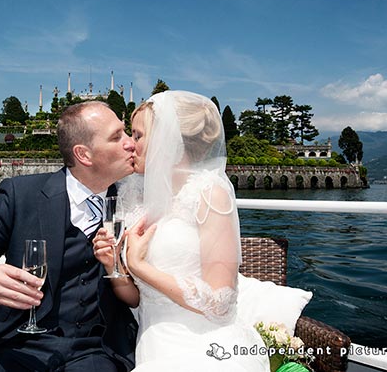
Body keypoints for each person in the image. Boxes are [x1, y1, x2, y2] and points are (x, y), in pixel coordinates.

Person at [0, 101, 138, 372]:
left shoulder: (134, 203)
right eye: (117, 136)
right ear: (84, 154)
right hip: (17, 342)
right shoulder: (21, 195)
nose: (131, 143)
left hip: (97, 349)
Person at [93, 91, 270, 371]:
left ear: (168, 141)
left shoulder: (209, 194)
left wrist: (138, 265)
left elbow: (220, 302)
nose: (129, 144)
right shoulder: (130, 195)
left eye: (138, 136)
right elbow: (136, 298)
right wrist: (113, 265)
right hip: (152, 337)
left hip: (205, 339)